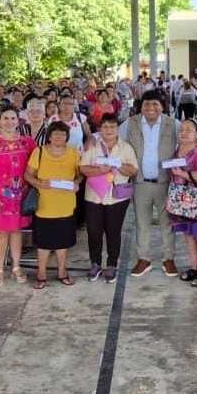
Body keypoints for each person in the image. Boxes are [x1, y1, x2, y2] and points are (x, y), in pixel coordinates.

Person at [120, 89, 180, 278]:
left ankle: (168, 259)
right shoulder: (131, 123)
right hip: (141, 183)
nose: (151, 108)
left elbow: (190, 137)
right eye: (147, 104)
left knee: (167, 224)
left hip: (165, 182)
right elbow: (115, 139)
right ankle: (143, 259)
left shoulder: (173, 124)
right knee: (142, 223)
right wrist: (92, 139)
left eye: (155, 104)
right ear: (141, 106)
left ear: (162, 106)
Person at [0, 107, 36, 286]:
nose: (9, 121)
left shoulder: (28, 142)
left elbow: (36, 166)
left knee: (17, 231)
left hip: (21, 196)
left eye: (13, 118)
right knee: (1, 233)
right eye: (5, 118)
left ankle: (16, 266)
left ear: (18, 121)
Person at [80, 114, 137, 283]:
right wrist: (101, 170)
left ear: (117, 129)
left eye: (112, 127)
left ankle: (112, 264)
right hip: (94, 197)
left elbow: (133, 170)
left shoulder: (126, 148)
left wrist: (118, 165)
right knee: (94, 232)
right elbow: (83, 168)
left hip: (117, 198)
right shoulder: (92, 146)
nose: (109, 130)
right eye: (105, 127)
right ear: (100, 129)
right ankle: (95, 263)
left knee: (113, 232)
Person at [24, 122, 81, 289]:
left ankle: (62, 272)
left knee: (63, 243)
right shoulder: (39, 152)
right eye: (55, 134)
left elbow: (79, 175)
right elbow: (28, 175)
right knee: (43, 244)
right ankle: (41, 274)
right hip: (44, 205)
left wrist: (77, 183)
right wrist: (39, 184)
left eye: (63, 134)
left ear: (67, 137)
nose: (59, 137)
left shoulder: (73, 153)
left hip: (66, 204)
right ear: (49, 136)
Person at [168, 118, 197, 287]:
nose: (184, 132)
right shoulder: (177, 150)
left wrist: (184, 175)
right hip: (181, 200)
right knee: (189, 236)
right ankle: (194, 268)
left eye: (189, 129)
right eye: (181, 129)